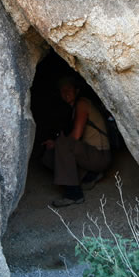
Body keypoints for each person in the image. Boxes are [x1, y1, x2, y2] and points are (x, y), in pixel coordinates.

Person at [42, 76, 112, 207]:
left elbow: (76, 136)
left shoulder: (82, 104)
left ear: (77, 90)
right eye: (62, 91)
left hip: (100, 156)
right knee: (50, 155)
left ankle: (73, 194)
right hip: (93, 156)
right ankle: (89, 176)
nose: (65, 93)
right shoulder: (73, 109)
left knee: (63, 143)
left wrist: (57, 143)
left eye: (68, 89)